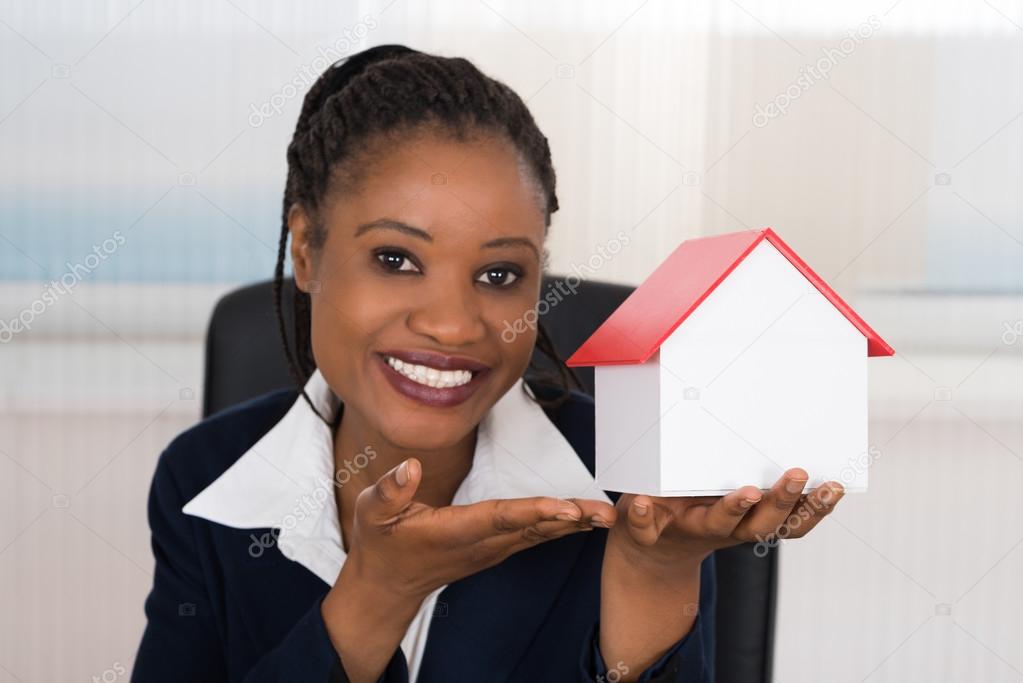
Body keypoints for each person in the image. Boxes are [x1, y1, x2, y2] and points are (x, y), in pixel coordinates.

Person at [131, 44, 845, 682]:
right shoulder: (204, 477)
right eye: (395, 258)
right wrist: (374, 595)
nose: (451, 323)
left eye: (500, 274)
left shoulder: (638, 476)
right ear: (307, 252)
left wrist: (654, 571)